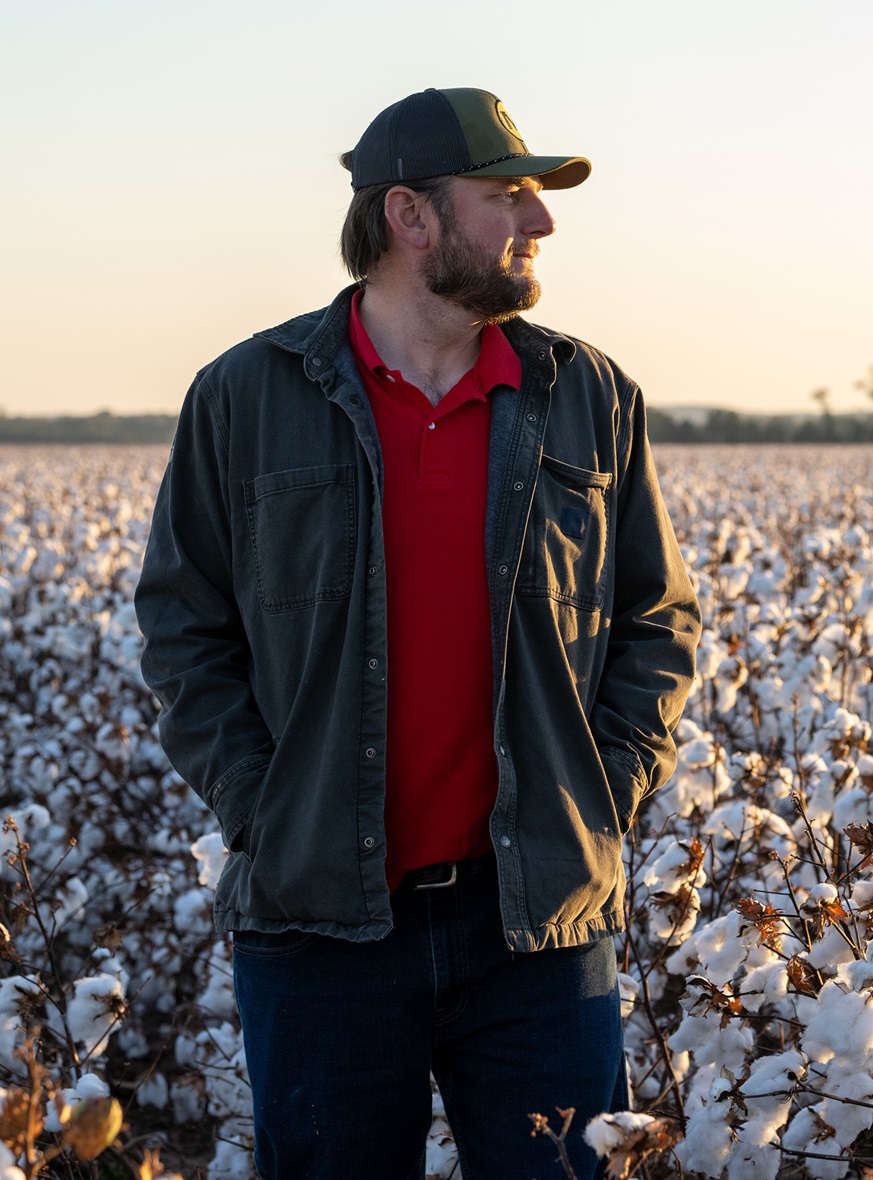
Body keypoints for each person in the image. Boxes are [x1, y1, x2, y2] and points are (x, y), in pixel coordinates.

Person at [135, 86, 701, 1180]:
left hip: (537, 930)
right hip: (320, 931)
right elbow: (183, 626)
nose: (539, 223)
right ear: (410, 217)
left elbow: (657, 618)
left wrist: (606, 789)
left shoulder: (589, 397)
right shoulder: (245, 396)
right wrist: (262, 804)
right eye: (509, 196)